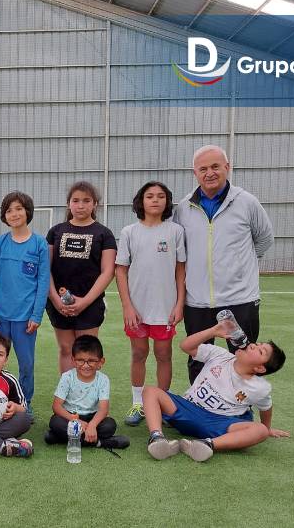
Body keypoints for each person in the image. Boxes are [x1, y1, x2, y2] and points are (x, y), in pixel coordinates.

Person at [173, 144, 274, 384]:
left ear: (227, 168)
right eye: (203, 168)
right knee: (198, 359)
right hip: (196, 301)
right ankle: (200, 411)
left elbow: (264, 239)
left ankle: (239, 412)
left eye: (216, 166)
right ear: (194, 173)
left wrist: (240, 266)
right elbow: (181, 251)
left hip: (240, 299)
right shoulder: (184, 208)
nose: (210, 173)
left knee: (243, 359)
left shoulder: (246, 202)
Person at [143, 321, 289, 462]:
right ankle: (157, 438)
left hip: (220, 424)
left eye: (260, 350)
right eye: (257, 344)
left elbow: (266, 407)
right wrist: (212, 331)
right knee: (150, 391)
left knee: (260, 430)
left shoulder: (260, 388)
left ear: (260, 368)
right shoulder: (219, 355)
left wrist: (267, 428)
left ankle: (207, 445)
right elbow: (185, 346)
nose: (252, 346)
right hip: (189, 411)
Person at [115, 181, 186, 426]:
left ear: (167, 201)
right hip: (137, 309)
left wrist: (179, 304)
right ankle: (138, 403)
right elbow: (120, 271)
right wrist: (127, 305)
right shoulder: (129, 232)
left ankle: (162, 404)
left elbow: (180, 270)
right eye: (149, 196)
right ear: (141, 201)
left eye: (160, 196)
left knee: (164, 354)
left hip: (165, 308)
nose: (155, 200)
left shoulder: (175, 231)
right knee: (139, 353)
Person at [0, 191, 50, 419]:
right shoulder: (0, 244)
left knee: (26, 365)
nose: (14, 214)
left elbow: (43, 282)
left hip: (25, 318)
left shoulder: (39, 244)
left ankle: (24, 403)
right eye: (9, 210)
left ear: (27, 211)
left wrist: (36, 315)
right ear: (4, 215)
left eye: (19, 209)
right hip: (0, 316)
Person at [46, 181, 116, 373]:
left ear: (95, 204)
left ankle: (87, 398)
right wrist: (55, 299)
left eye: (86, 201)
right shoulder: (55, 232)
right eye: (75, 200)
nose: (81, 205)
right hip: (59, 305)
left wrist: (84, 301)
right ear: (69, 204)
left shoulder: (104, 234)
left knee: (86, 352)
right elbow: (45, 269)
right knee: (67, 349)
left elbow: (108, 271)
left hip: (90, 304)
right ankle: (66, 398)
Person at [44, 335, 128, 450]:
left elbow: (103, 409)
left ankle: (62, 438)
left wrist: (92, 425)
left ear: (101, 362)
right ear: (73, 360)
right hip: (71, 417)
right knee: (55, 422)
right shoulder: (67, 377)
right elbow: (56, 406)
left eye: (91, 361)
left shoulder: (103, 379)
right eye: (80, 360)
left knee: (109, 425)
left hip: (92, 417)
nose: (85, 365)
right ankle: (99, 442)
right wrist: (76, 421)